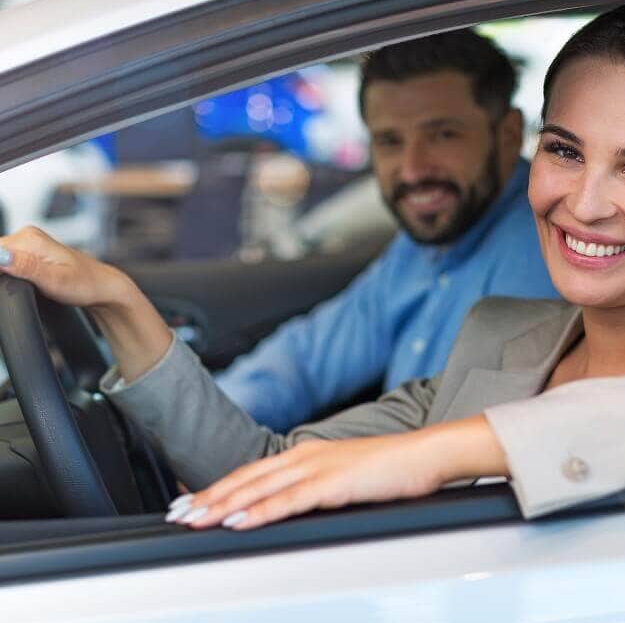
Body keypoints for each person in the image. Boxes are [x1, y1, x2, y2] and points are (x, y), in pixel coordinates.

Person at [0, 3, 625, 531]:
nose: (586, 203)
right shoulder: (494, 339)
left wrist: (444, 454)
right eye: (566, 152)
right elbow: (263, 467)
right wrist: (119, 302)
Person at [211, 30, 559, 429]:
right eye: (390, 141)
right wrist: (198, 427)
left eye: (443, 135)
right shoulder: (428, 241)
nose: (412, 169)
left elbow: (455, 445)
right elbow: (307, 361)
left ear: (508, 134)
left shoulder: (543, 254)